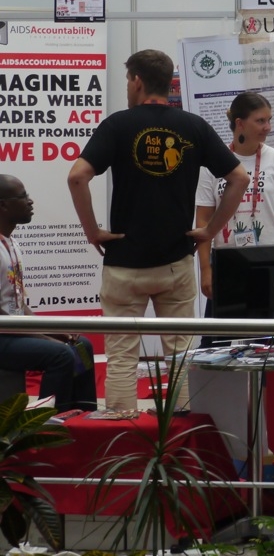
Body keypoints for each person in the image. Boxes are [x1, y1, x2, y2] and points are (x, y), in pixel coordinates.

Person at [67, 49, 249, 412]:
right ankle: (179, 427)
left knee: (121, 355)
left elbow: (77, 176)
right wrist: (209, 230)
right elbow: (239, 178)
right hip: (175, 260)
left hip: (124, 262)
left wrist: (93, 232)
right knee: (180, 353)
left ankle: (122, 425)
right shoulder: (194, 126)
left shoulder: (117, 125)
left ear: (137, 81)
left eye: (127, 80)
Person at [196, 91, 274, 345]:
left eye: (269, 120)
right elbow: (203, 221)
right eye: (260, 121)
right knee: (222, 348)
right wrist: (206, 270)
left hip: (270, 267)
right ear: (240, 123)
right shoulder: (213, 162)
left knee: (271, 349)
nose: (268, 127)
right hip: (228, 266)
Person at [0, 175, 97, 412]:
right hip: (3, 337)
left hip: (13, 333)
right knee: (61, 355)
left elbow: (18, 305)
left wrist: (54, 330)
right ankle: (46, 422)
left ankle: (83, 414)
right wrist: (45, 337)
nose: (30, 201)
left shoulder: (11, 244)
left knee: (81, 345)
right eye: (23, 196)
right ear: (3, 205)